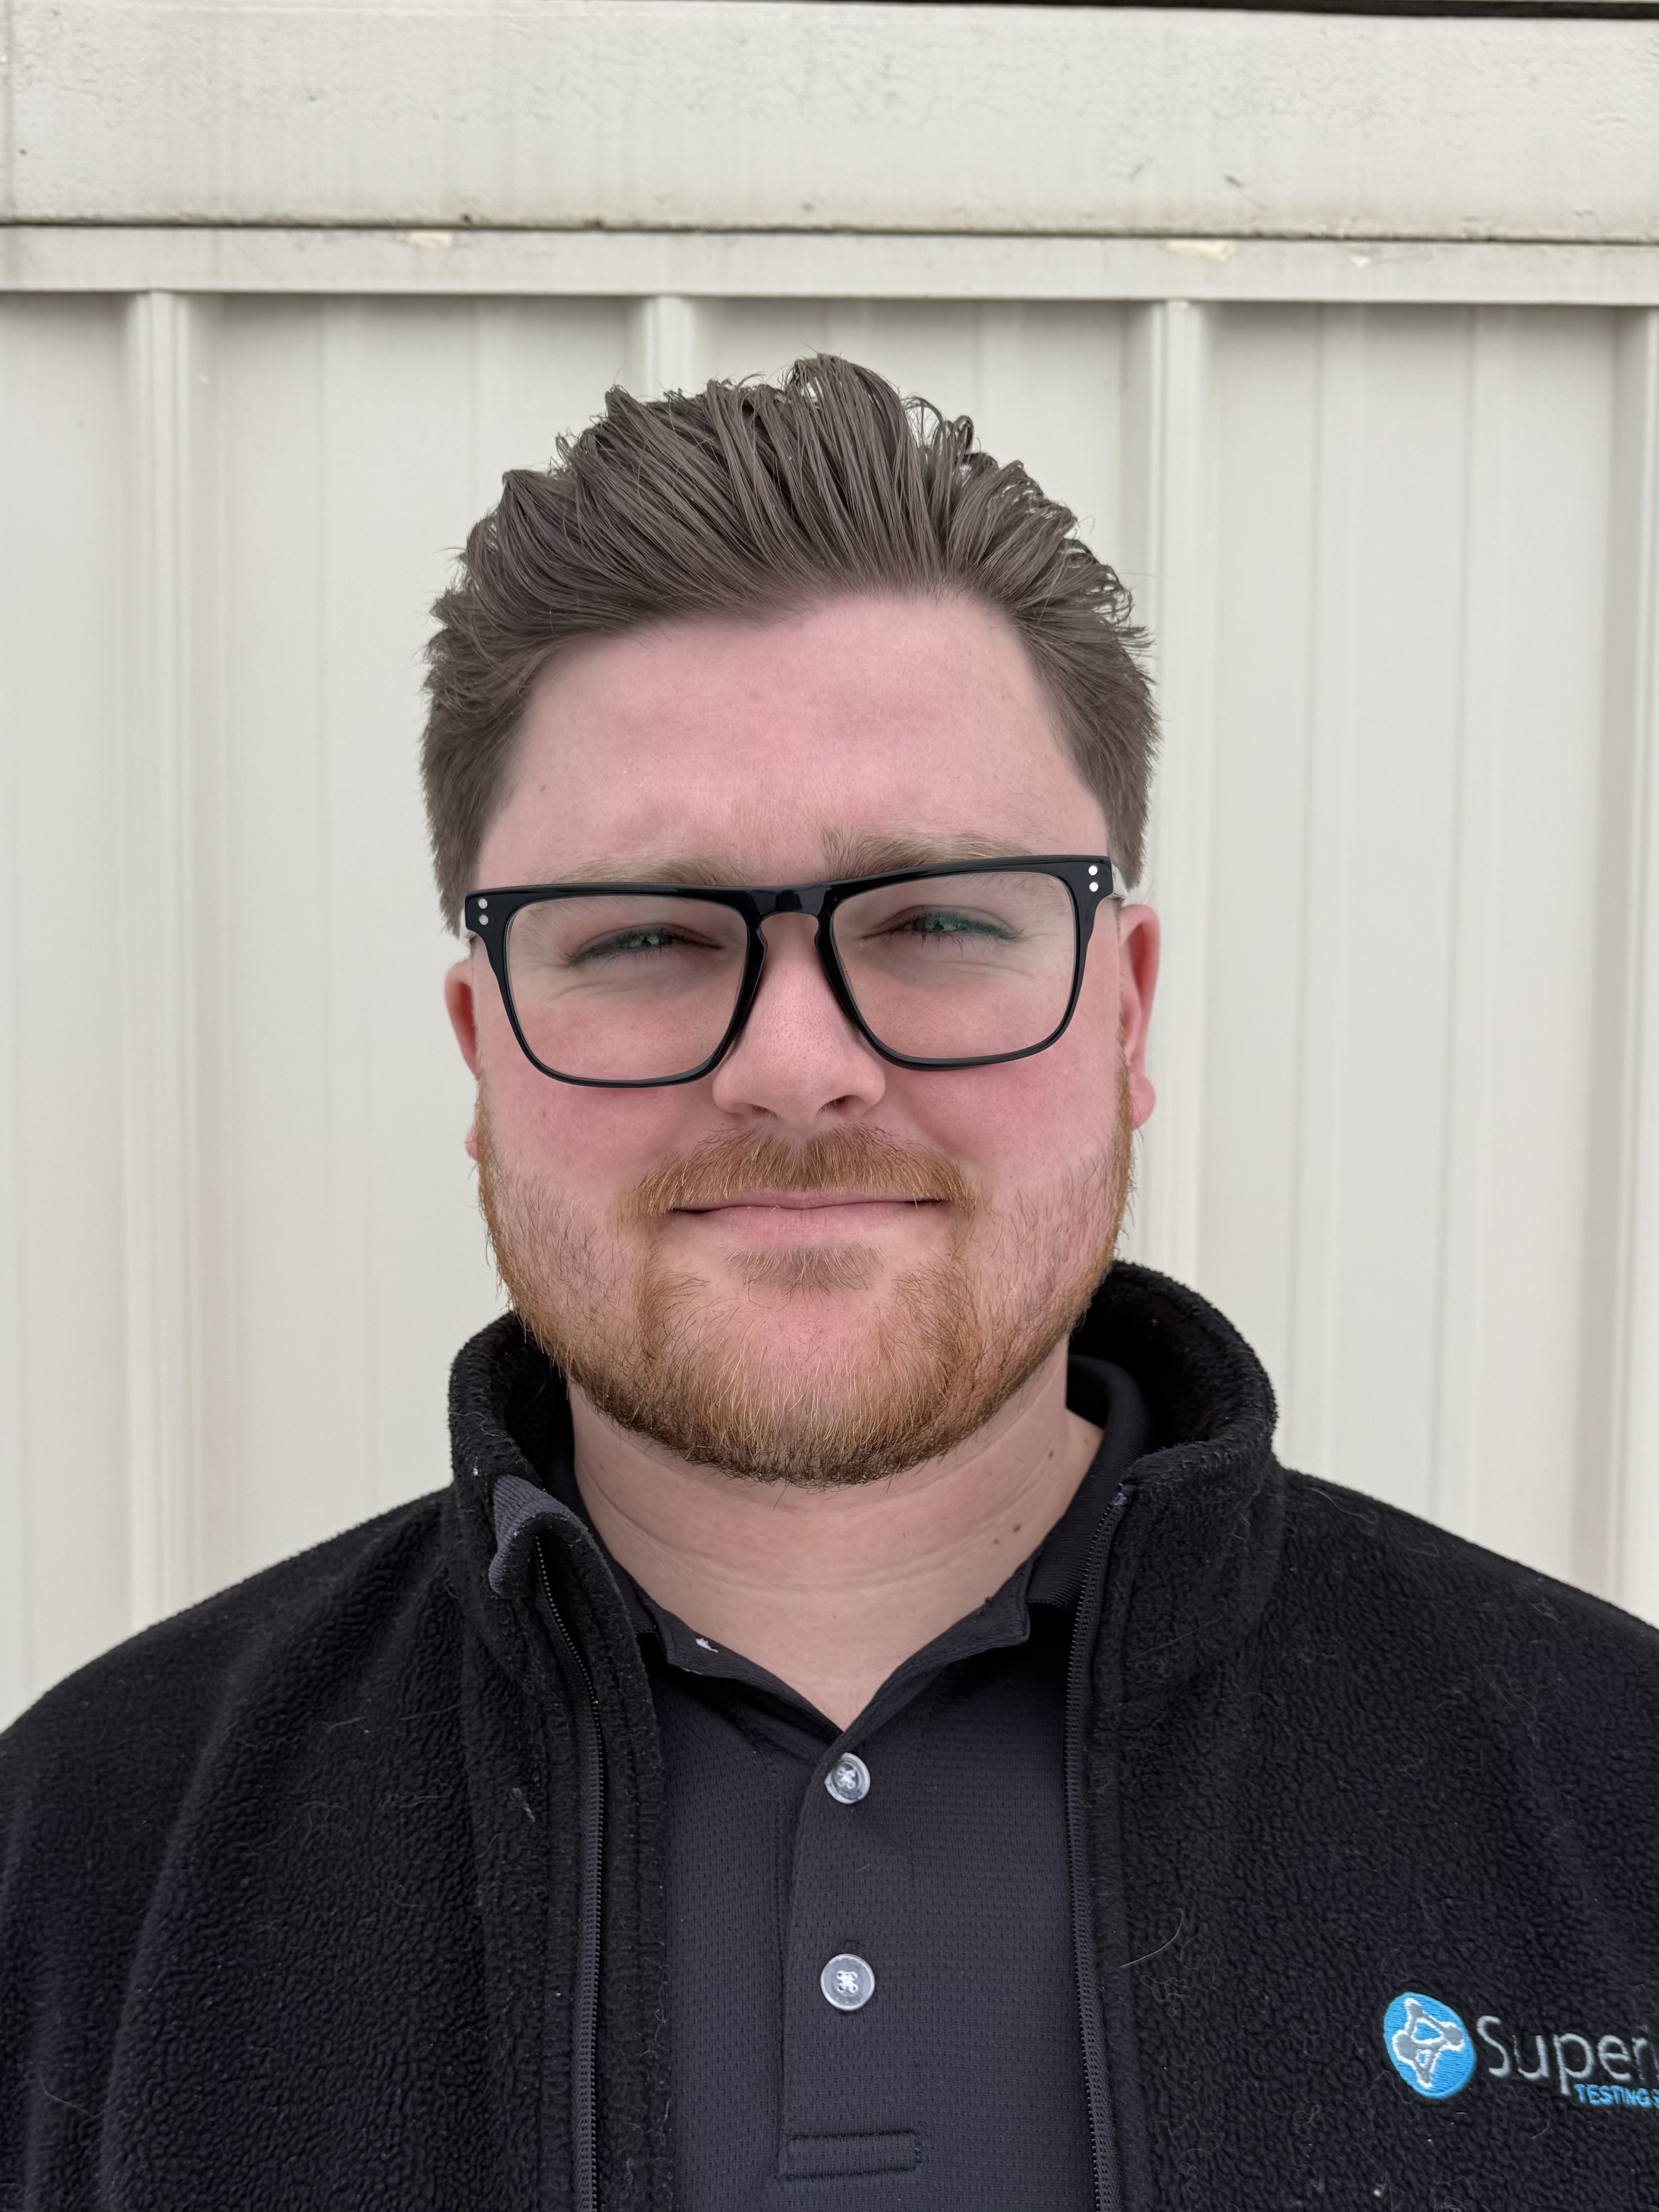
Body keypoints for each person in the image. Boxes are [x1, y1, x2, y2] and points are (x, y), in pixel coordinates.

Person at [2, 356, 1653, 2212]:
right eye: (642, 936)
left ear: (1125, 1014)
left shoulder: (1613, 1795)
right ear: (482, 1049)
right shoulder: (83, 1861)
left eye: (937, 919)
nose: (796, 1069)